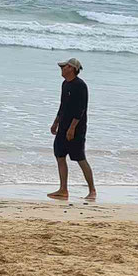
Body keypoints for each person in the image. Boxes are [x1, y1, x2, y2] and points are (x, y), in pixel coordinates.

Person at [49, 57, 94, 201]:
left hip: (76, 129)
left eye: (65, 66)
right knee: (59, 155)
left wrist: (72, 128)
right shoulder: (65, 84)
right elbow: (62, 106)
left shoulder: (80, 86)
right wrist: (55, 123)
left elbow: (81, 109)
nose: (62, 69)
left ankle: (92, 190)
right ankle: (63, 189)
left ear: (73, 69)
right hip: (63, 126)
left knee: (80, 158)